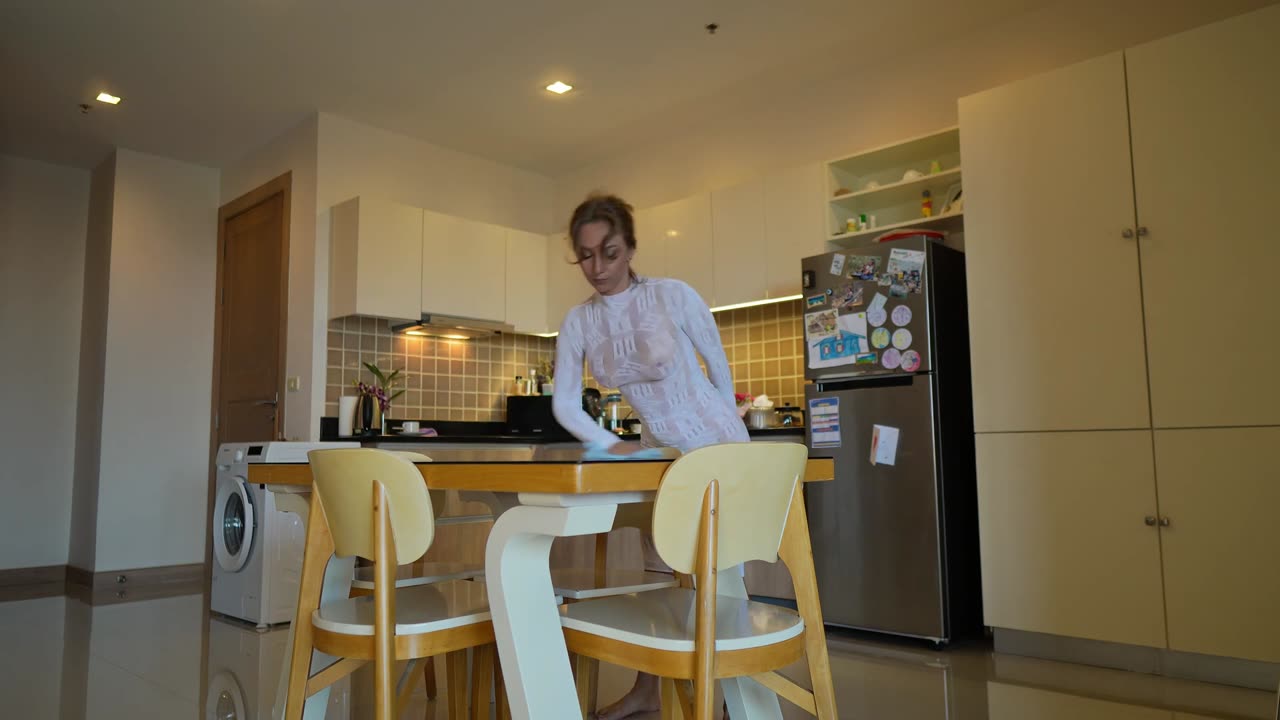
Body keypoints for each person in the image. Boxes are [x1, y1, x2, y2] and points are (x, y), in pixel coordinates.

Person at [551, 194, 748, 719]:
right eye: (585, 255)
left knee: (717, 571)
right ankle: (647, 692)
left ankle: (727, 698)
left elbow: (718, 366)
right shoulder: (580, 322)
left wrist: (731, 449)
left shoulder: (671, 295)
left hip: (713, 439)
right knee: (658, 568)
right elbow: (564, 403)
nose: (597, 268)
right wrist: (612, 445)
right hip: (661, 452)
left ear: (631, 248)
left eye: (609, 253)